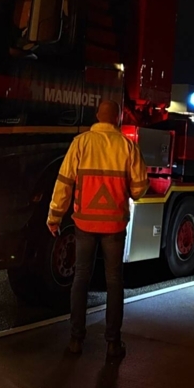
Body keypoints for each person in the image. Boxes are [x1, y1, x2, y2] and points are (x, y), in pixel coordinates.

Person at [47, 100, 149, 360]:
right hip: (114, 226)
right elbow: (139, 189)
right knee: (114, 281)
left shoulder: (80, 143)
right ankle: (113, 344)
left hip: (84, 224)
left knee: (81, 278)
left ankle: (75, 341)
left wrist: (55, 215)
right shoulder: (127, 146)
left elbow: (64, 182)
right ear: (116, 119)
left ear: (97, 116)